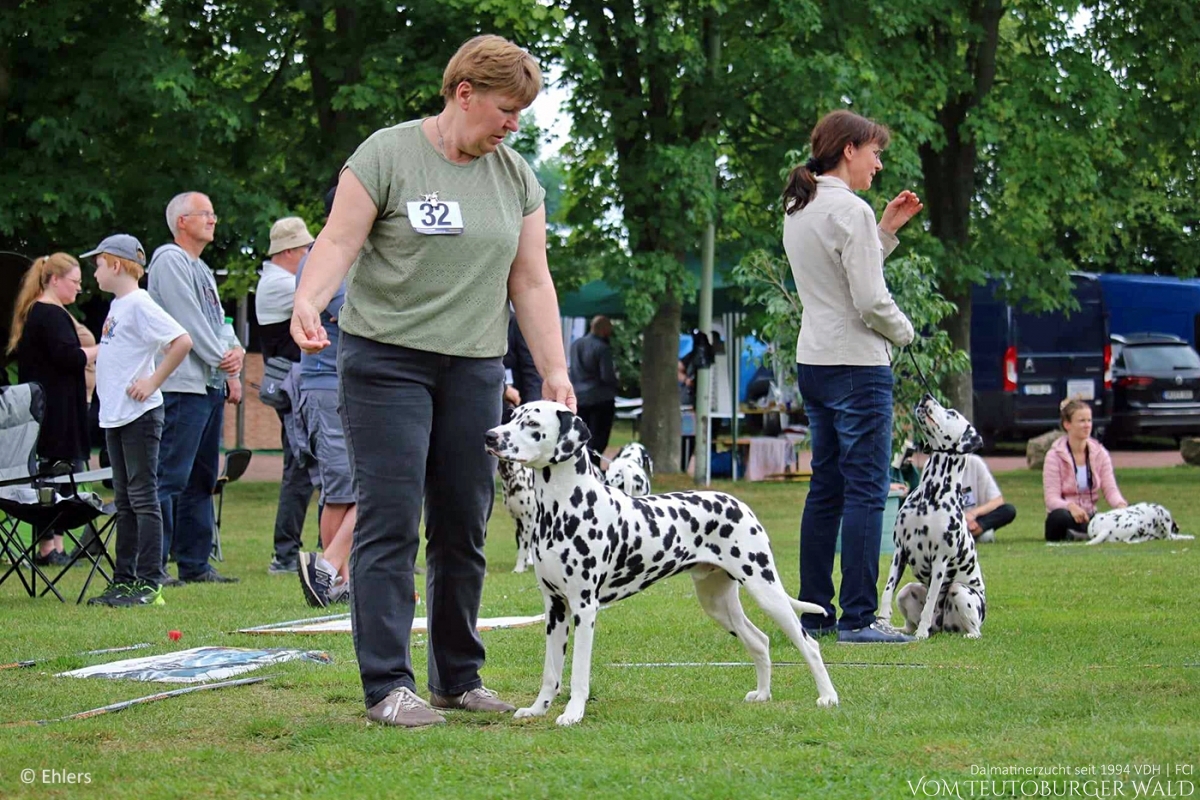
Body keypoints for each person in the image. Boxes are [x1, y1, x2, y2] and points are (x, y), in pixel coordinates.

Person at [292, 34, 574, 728]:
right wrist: (307, 297)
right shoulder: (386, 155)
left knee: (462, 524)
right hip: (385, 358)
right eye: (506, 109)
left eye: (523, 114)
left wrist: (556, 368)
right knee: (390, 518)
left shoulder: (517, 178)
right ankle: (387, 685)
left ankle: (457, 678)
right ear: (464, 92)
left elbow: (531, 279)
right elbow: (337, 241)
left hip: (475, 365)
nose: (514, 125)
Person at [782, 109, 924, 644]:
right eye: (874, 152)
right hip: (856, 366)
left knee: (827, 489)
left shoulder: (800, 207)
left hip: (815, 359)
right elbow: (867, 298)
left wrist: (884, 232)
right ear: (849, 150)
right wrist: (905, 331)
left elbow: (838, 282)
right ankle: (861, 618)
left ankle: (815, 614)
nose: (879, 164)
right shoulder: (850, 210)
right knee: (866, 491)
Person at [81, 235, 193, 607]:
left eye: (97, 264)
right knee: (125, 500)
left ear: (115, 264)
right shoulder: (118, 306)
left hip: (140, 416)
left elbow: (181, 341)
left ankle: (149, 582)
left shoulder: (140, 304)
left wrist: (152, 381)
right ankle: (124, 579)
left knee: (143, 498)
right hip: (116, 416)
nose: (94, 272)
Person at [148, 192, 243, 585]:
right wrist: (222, 357)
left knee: (202, 477)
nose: (213, 220)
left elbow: (218, 319)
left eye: (213, 213)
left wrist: (235, 352)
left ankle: (195, 563)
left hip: (208, 384)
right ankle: (154, 564)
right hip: (182, 384)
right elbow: (186, 320)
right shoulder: (169, 261)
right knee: (170, 475)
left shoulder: (201, 268)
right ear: (181, 221)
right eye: (205, 214)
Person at [7, 253, 98, 566]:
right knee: (52, 476)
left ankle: (55, 544)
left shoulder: (42, 312)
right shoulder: (49, 314)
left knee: (59, 476)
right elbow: (67, 357)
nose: (78, 289)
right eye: (74, 282)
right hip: (55, 413)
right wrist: (102, 348)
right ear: (54, 280)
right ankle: (48, 547)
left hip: (55, 409)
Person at [293, 191, 356, 609]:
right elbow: (348, 308)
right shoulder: (325, 255)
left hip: (342, 383)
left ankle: (337, 576)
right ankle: (329, 572)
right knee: (346, 488)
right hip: (326, 382)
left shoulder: (347, 252)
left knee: (345, 488)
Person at [256, 216, 317, 575]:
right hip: (296, 387)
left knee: (303, 466)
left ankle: (293, 551)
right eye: (307, 249)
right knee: (300, 466)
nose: (311, 255)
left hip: (297, 385)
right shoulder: (282, 283)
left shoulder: (278, 280)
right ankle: (285, 554)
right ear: (291, 251)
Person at [1043, 398, 1128, 541]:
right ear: (1067, 424)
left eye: (1089, 421)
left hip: (1090, 515)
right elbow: (1051, 499)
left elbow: (1110, 489)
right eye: (1081, 421)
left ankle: (1086, 534)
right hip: (1066, 514)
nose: (1087, 425)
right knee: (1059, 517)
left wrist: (1121, 505)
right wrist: (1070, 506)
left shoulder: (1100, 453)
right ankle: (1094, 533)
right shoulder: (1054, 456)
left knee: (1131, 509)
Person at [569, 315, 618, 455]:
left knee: (582, 434)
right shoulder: (603, 348)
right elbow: (607, 376)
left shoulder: (576, 344)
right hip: (601, 398)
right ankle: (594, 463)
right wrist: (616, 384)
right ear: (604, 330)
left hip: (579, 397)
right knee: (599, 436)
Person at [961, 454, 1017, 543]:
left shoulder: (975, 463)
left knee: (1008, 510)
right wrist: (963, 519)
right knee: (986, 537)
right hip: (950, 521)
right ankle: (967, 534)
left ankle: (971, 533)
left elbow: (997, 500)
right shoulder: (935, 466)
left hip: (976, 520)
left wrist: (973, 514)